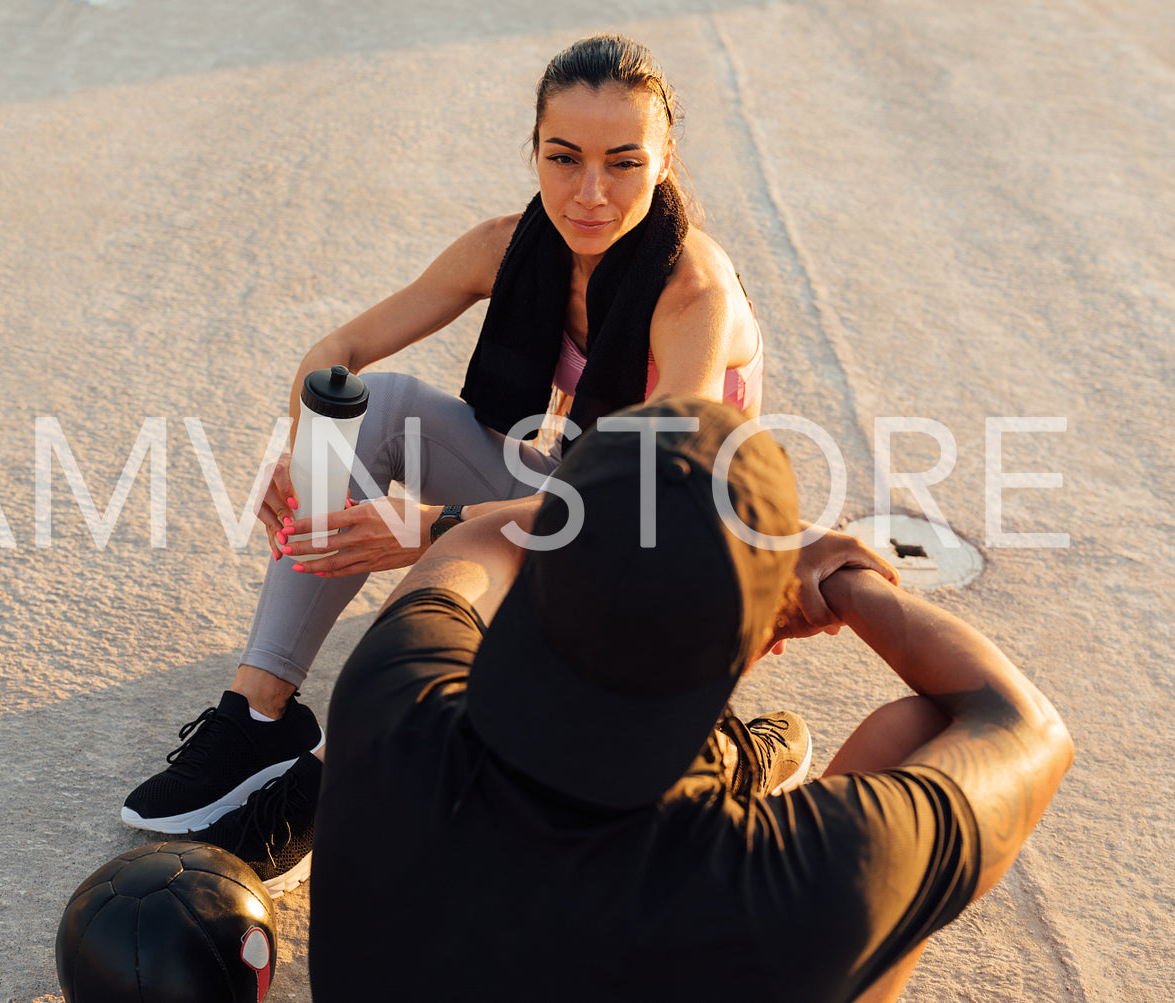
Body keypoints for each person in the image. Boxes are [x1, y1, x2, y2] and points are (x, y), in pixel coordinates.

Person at [121, 35, 785, 886]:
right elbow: (340, 349)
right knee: (380, 405)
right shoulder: (510, 246)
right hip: (572, 492)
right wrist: (303, 448)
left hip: (668, 550)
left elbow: (645, 497)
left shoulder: (693, 294)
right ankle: (257, 713)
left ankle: (336, 781)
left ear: (662, 162)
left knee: (444, 567)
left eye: (623, 163)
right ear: (534, 150)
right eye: (564, 157)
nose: (589, 192)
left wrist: (435, 527)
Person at [307, 397, 1074, 1002]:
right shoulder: (795, 880)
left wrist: (609, 518)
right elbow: (1024, 724)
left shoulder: (391, 693)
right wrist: (833, 577)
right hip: (754, 893)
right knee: (924, 728)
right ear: (762, 633)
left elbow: (471, 547)